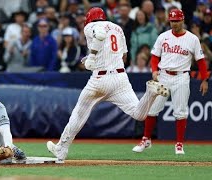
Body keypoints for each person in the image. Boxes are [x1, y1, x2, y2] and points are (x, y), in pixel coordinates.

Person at [46, 7, 170, 161]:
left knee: (79, 113)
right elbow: (123, 55)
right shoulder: (118, 28)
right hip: (120, 78)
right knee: (139, 114)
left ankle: (61, 149)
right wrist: (93, 58)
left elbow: (100, 34)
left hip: (100, 80)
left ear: (90, 19)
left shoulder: (90, 26)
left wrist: (92, 56)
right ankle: (150, 92)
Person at [132, 9, 209, 155]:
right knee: (153, 108)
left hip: (181, 76)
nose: (174, 23)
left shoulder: (192, 39)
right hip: (163, 75)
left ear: (182, 20)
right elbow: (154, 57)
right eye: (172, 21)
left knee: (180, 111)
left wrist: (204, 79)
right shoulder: (163, 37)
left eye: (177, 20)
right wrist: (154, 70)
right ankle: (146, 139)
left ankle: (179, 144)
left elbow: (201, 61)